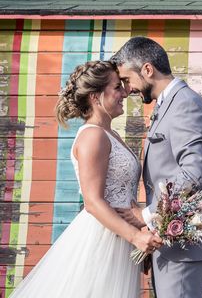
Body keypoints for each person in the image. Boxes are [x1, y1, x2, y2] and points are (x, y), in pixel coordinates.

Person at [10, 60, 162, 298]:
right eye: (116, 87)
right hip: (102, 240)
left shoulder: (109, 134)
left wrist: (141, 227)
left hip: (121, 236)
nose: (125, 92)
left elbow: (122, 193)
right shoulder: (93, 136)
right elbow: (93, 202)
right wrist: (135, 236)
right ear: (95, 96)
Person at [111, 37, 202, 298]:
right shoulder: (168, 104)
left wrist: (147, 214)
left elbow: (192, 173)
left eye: (128, 80)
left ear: (148, 70)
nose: (127, 89)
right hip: (171, 243)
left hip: (184, 246)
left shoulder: (185, 105)